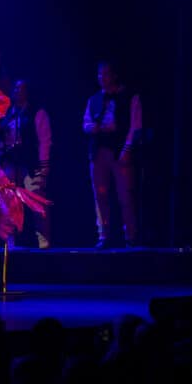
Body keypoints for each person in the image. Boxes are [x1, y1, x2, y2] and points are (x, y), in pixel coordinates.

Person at [83, 61, 142, 248]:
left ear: (114, 75)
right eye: (100, 74)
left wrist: (127, 150)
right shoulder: (93, 99)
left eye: (106, 74)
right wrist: (93, 128)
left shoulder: (128, 97)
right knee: (100, 196)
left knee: (125, 195)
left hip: (119, 151)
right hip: (98, 151)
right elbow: (85, 123)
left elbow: (135, 126)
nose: (102, 78)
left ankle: (131, 235)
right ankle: (104, 235)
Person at [0, 79, 52, 248]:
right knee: (9, 200)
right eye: (15, 88)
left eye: (21, 88)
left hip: (30, 162)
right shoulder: (8, 114)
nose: (18, 91)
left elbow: (45, 140)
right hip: (11, 162)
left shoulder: (36, 113)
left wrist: (43, 165)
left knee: (36, 198)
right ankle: (10, 240)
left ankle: (43, 239)